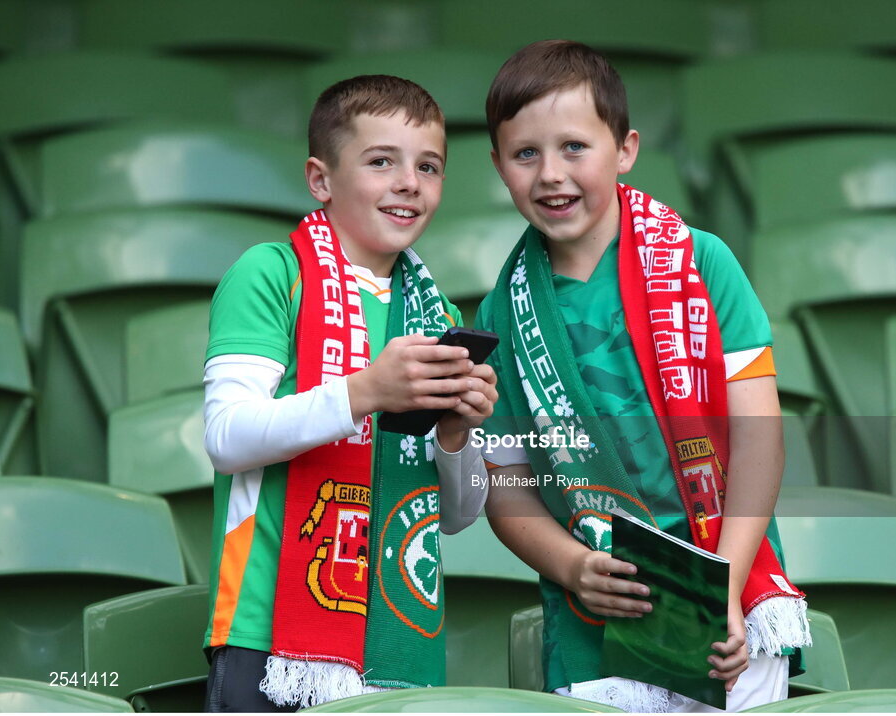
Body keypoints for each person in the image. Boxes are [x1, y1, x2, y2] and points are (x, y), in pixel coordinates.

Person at [476, 41, 811, 713]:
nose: (551, 175)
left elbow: (759, 439)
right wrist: (573, 568)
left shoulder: (705, 262)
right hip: (593, 627)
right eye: (526, 154)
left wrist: (725, 587)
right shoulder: (499, 315)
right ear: (497, 166)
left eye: (575, 147)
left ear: (625, 149)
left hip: (726, 597)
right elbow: (507, 490)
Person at [201, 75, 497, 712]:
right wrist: (364, 391)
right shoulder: (271, 272)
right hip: (267, 632)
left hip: (395, 632)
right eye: (380, 161)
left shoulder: (434, 311)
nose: (408, 183)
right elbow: (226, 438)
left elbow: (458, 515)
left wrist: (455, 434)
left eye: (428, 166)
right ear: (320, 179)